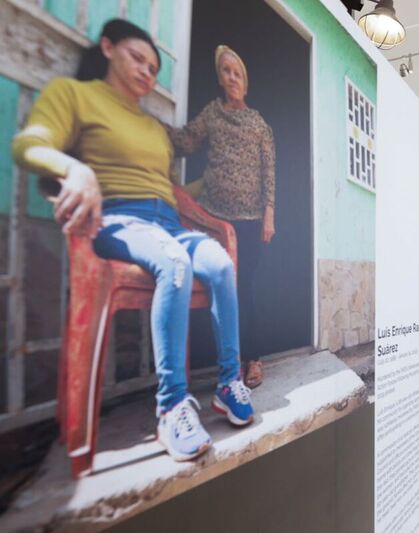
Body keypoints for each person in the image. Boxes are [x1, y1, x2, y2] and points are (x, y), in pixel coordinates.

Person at [11, 19, 254, 462]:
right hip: (119, 219)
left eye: (153, 66)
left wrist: (226, 188)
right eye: (137, 58)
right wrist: (74, 169)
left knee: (219, 263)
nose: (147, 70)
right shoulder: (75, 95)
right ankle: (172, 406)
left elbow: (173, 190)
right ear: (107, 47)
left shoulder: (152, 127)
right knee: (176, 263)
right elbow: (29, 144)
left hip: (169, 222)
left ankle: (227, 382)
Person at [166, 45, 275, 389]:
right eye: (226, 71)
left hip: (249, 219)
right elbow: (183, 142)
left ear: (246, 81)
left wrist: (269, 215)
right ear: (219, 78)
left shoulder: (258, 123)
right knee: (213, 288)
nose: (232, 77)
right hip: (212, 219)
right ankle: (223, 366)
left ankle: (252, 359)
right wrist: (147, 126)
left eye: (237, 72)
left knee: (244, 290)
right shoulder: (212, 114)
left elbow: (268, 172)